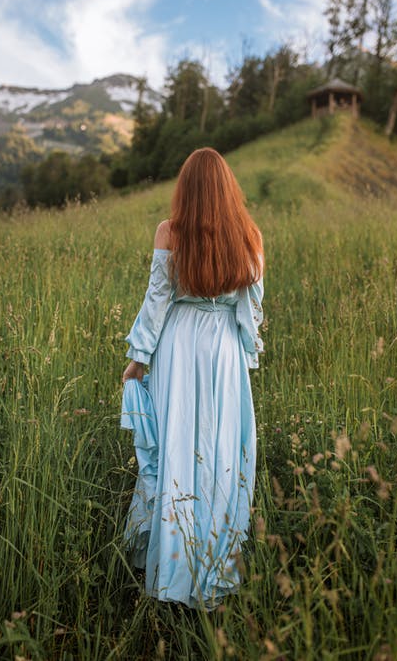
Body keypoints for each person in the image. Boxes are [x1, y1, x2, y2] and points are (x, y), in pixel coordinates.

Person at [121, 147, 264, 610]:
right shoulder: (249, 235)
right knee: (220, 451)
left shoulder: (170, 232)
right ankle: (212, 568)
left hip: (179, 346)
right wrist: (245, 355)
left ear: (186, 188)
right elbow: (250, 309)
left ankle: (173, 568)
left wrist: (138, 358)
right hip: (222, 352)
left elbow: (157, 300)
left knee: (179, 444)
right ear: (227, 189)